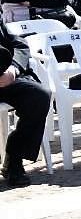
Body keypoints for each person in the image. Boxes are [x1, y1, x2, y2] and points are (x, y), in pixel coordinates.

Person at [1, 22, 52, 187]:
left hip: (4, 77)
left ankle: (14, 157)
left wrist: (13, 69)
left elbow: (19, 43)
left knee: (38, 96)